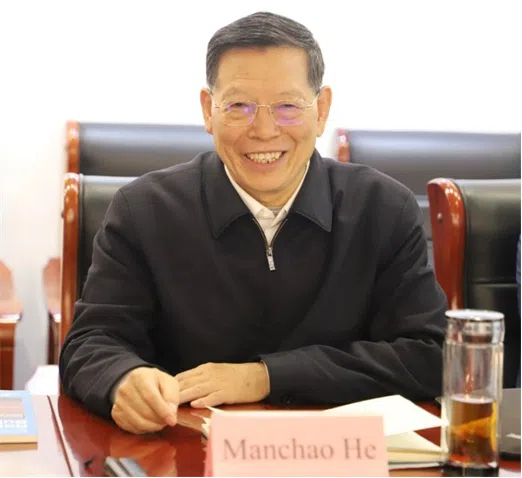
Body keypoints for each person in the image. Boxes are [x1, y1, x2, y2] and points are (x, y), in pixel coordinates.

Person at [59, 11, 448, 435]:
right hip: (186, 448)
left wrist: (265, 377)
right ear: (209, 110)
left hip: (340, 451)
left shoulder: (382, 208)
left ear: (321, 110)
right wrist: (122, 380)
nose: (264, 130)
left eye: (288, 107)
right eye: (238, 106)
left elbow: (429, 353)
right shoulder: (143, 210)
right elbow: (90, 344)